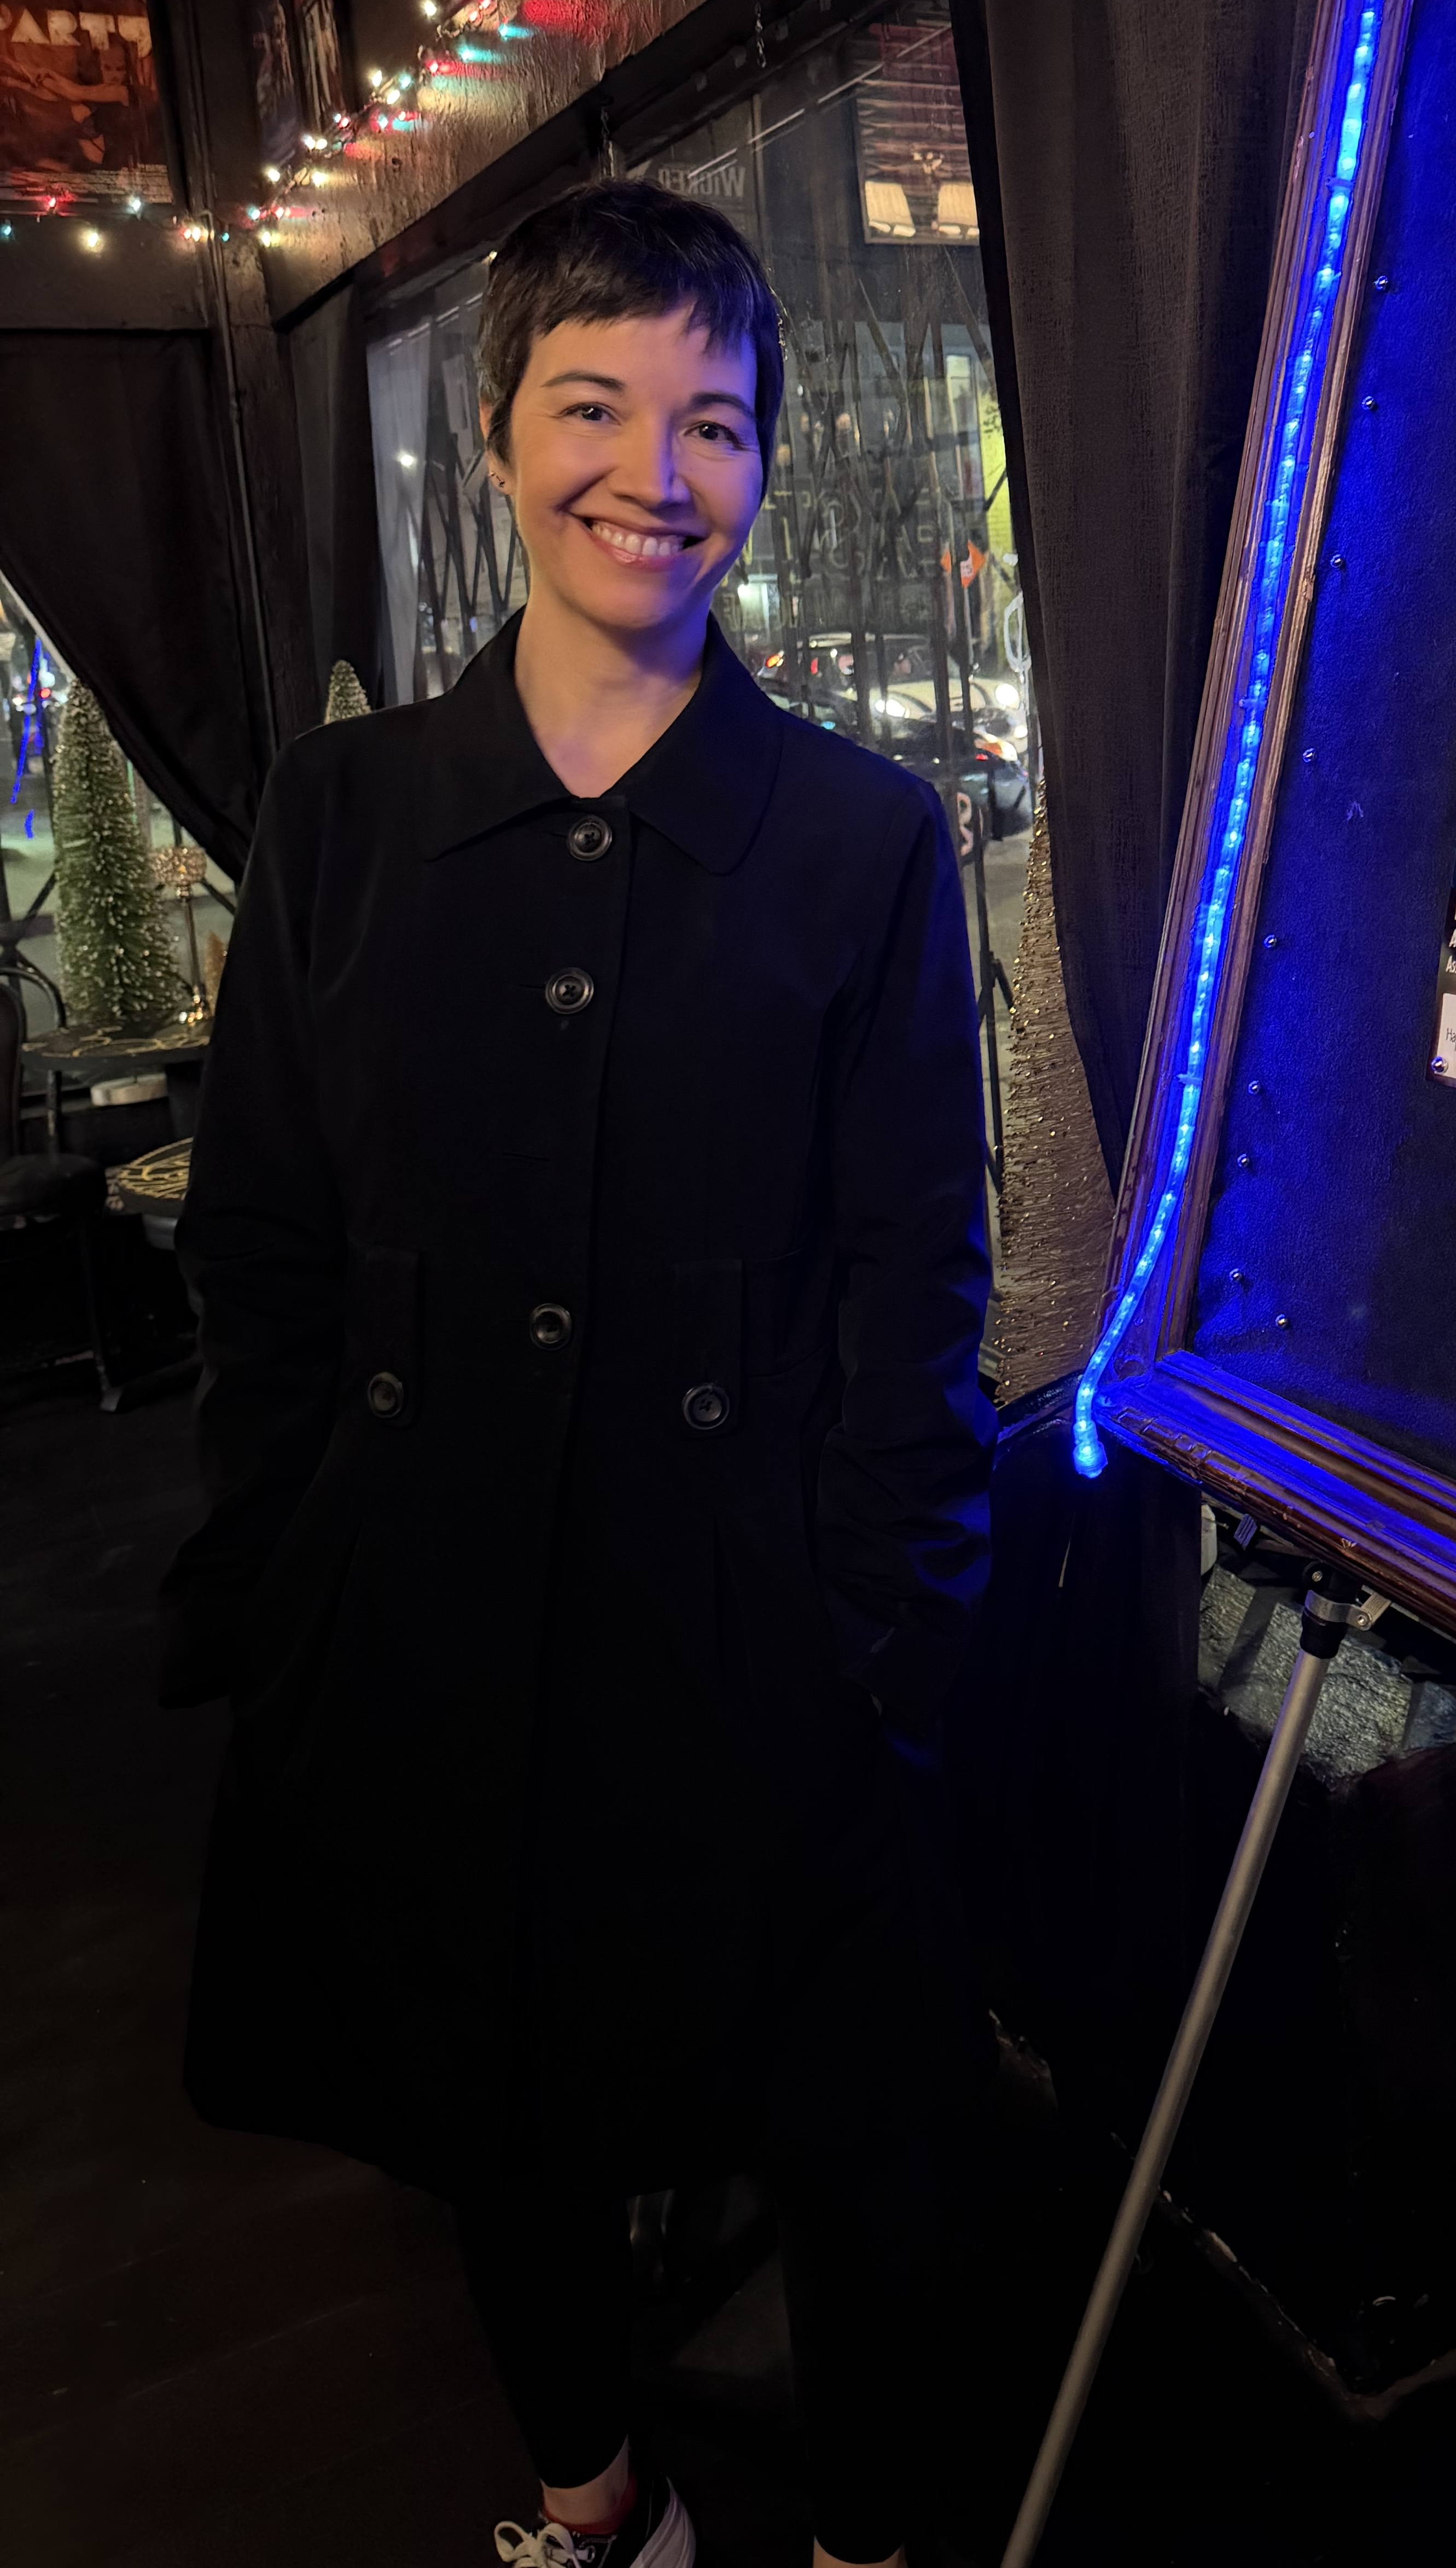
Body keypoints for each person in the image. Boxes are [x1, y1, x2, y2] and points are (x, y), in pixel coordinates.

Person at [161, 180, 993, 2568]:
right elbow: (263, 1238)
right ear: (502, 440)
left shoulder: (863, 836)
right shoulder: (339, 815)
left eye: (713, 421)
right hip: (422, 1591)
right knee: (491, 2090)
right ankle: (594, 2497)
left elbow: (914, 1276)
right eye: (595, 405)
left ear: (765, 462)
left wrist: (881, 1615)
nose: (656, 471)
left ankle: (864, 2534)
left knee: (850, 2123)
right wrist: (287, 1570)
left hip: (759, 1607)